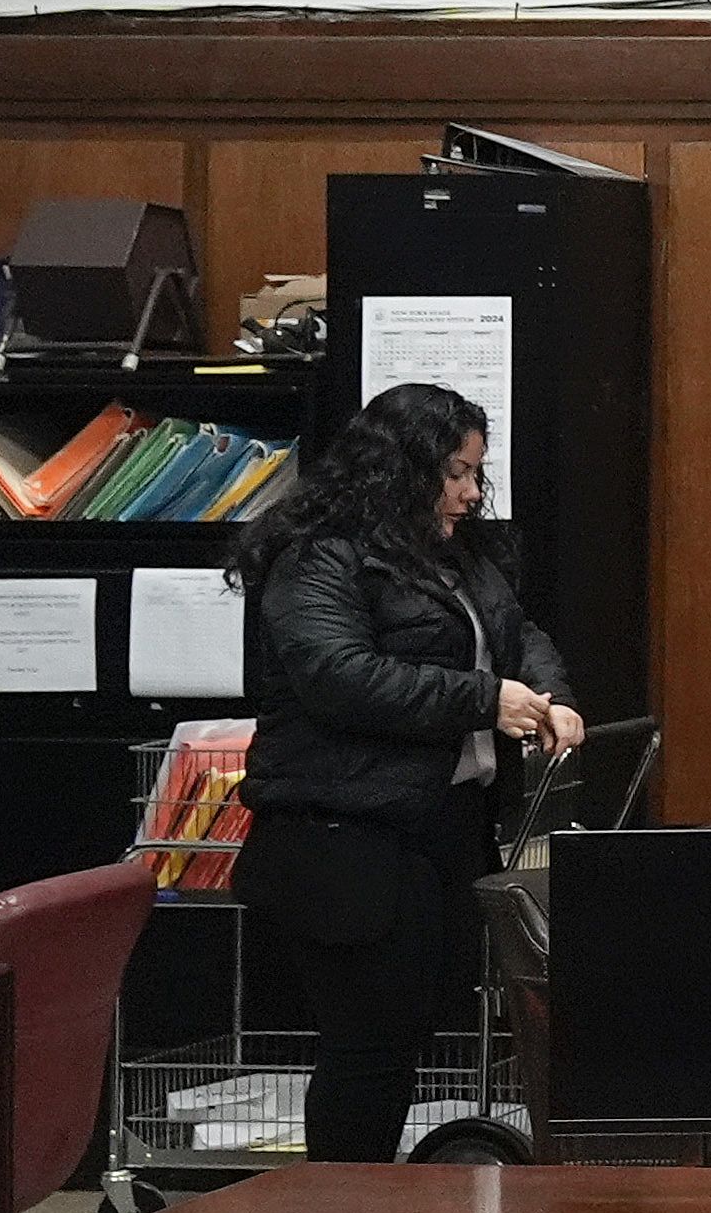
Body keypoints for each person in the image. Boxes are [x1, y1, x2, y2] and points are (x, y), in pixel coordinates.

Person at [231, 382, 578, 1173]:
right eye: (455, 471)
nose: (469, 491)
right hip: (344, 839)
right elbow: (338, 674)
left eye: (475, 473)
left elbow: (517, 633)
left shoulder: (457, 551)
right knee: (369, 1044)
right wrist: (486, 700)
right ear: (401, 467)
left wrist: (551, 700)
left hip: (440, 829)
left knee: (409, 1036)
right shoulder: (319, 554)